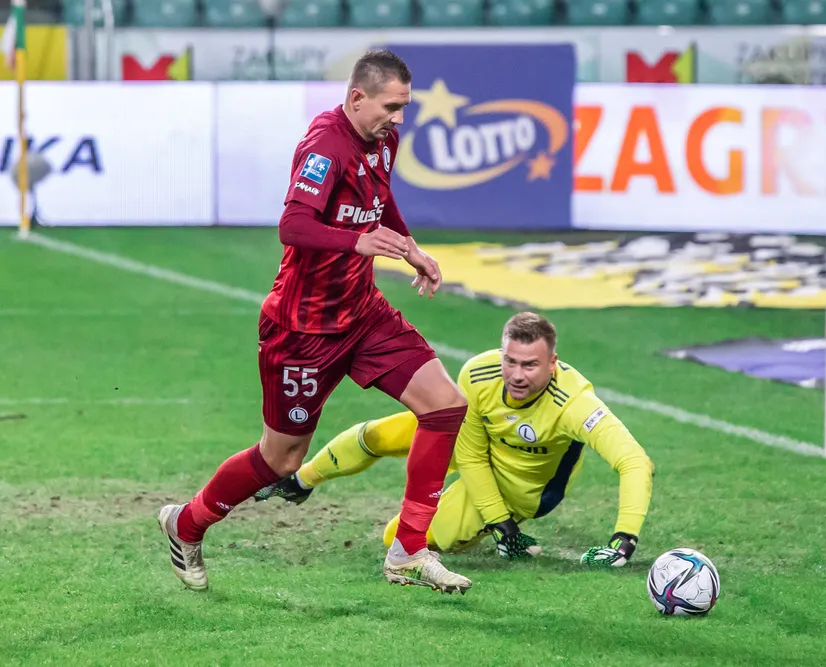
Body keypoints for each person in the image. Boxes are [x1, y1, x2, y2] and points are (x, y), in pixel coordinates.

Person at [158, 49, 472, 595]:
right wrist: (357, 240)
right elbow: (293, 225)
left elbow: (379, 201)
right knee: (281, 458)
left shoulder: (383, 140)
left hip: (363, 313)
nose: (400, 119)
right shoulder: (325, 145)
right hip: (302, 329)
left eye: (404, 108)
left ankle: (409, 550)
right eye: (392, 107)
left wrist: (409, 248)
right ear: (357, 98)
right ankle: (184, 525)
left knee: (446, 405)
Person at [255, 312, 655, 567]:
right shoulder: (479, 375)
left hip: (522, 486)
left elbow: (635, 462)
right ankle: (300, 480)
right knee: (381, 433)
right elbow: (472, 455)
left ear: (553, 364)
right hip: (481, 449)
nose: (516, 375)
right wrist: (498, 524)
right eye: (510, 361)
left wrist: (624, 538)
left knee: (395, 538)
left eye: (531, 365)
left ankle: (493, 526)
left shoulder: (574, 404)